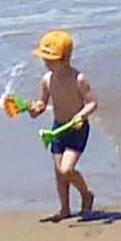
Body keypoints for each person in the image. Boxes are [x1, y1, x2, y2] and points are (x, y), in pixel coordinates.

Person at [29, 28, 100, 221]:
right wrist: (35, 109)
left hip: (77, 130)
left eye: (50, 60)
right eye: (44, 59)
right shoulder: (47, 80)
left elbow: (92, 103)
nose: (45, 63)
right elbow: (42, 103)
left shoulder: (79, 79)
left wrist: (81, 115)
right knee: (59, 174)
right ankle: (65, 209)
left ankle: (86, 194)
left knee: (66, 170)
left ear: (65, 59)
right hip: (57, 129)